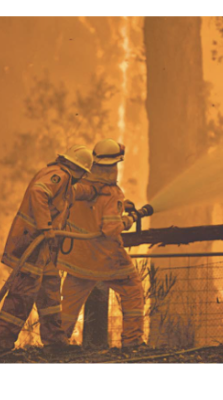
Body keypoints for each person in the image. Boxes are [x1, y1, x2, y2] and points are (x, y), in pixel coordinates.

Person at [0, 145, 94, 353]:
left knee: (50, 293)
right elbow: (39, 192)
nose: (82, 177)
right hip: (32, 245)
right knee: (22, 296)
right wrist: (46, 226)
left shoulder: (63, 179)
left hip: (43, 250)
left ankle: (55, 342)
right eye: (83, 173)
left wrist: (95, 190)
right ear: (77, 168)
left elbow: (75, 193)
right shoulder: (58, 175)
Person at [59, 139, 146, 349]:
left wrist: (122, 206)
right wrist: (128, 219)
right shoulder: (111, 193)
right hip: (107, 259)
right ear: (115, 165)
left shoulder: (80, 185)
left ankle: (57, 343)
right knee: (132, 290)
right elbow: (110, 229)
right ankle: (132, 341)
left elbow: (92, 209)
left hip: (77, 259)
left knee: (68, 305)